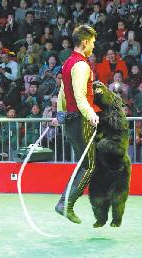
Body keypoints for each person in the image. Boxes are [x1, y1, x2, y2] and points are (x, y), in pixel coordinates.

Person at [52, 24, 100, 224]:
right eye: (93, 43)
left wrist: (60, 115)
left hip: (70, 120)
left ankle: (65, 201)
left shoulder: (67, 63)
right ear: (86, 42)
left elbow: (63, 93)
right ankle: (66, 204)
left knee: (84, 164)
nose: (94, 47)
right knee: (89, 165)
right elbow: (80, 97)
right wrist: (91, 115)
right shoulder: (81, 65)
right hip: (80, 120)